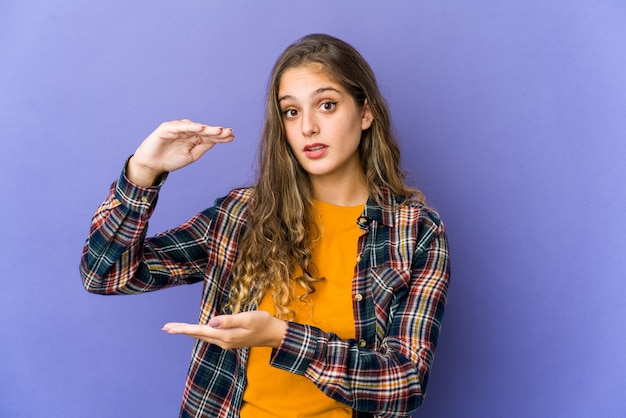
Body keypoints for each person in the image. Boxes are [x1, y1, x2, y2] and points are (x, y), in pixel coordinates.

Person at [80, 33, 450, 418]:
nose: (308, 127)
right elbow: (106, 275)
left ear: (365, 112)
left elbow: (404, 384)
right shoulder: (241, 215)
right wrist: (142, 172)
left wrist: (281, 337)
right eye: (291, 111)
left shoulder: (414, 231)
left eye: (326, 105)